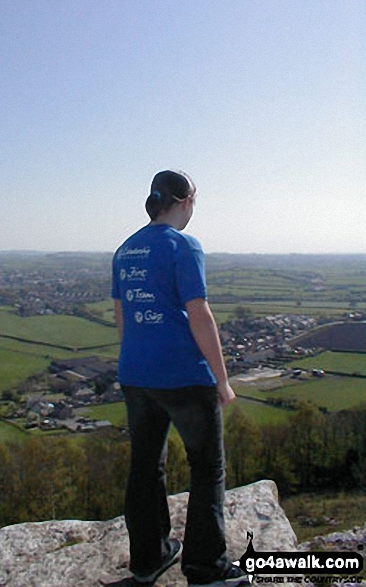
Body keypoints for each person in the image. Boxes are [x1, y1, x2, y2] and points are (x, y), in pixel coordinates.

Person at [111, 170, 249, 587]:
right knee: (207, 468)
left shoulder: (125, 250)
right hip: (184, 376)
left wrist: (137, 358)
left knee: (145, 467)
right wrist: (222, 380)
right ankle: (206, 569)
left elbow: (122, 317)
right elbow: (200, 314)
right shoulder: (185, 245)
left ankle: (149, 558)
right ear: (185, 202)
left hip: (136, 374)